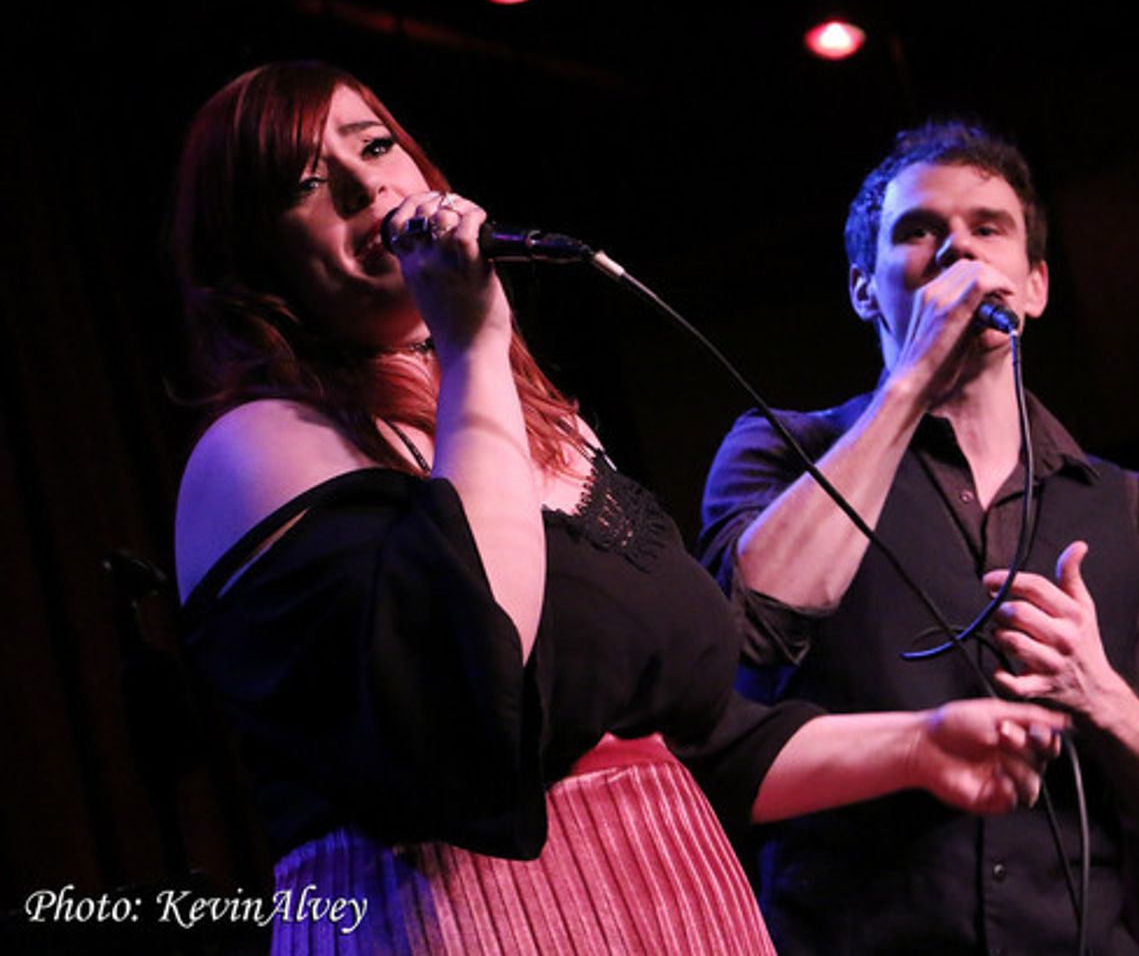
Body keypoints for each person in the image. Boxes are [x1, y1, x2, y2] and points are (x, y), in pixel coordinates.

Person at [167, 65, 1067, 954]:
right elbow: (471, 687)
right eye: (308, 185)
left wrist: (919, 743)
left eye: (377, 145)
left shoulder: (545, 431)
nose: (371, 184)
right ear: (255, 258)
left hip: (679, 899)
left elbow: (698, 735)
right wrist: (475, 342)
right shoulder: (261, 446)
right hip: (459, 919)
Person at [697, 121, 1139, 953]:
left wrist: (1098, 693)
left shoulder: (1132, 507)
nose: (956, 247)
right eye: (919, 230)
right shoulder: (782, 449)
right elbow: (746, 628)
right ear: (863, 287)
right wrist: (915, 376)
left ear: (1033, 287)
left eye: (987, 228)